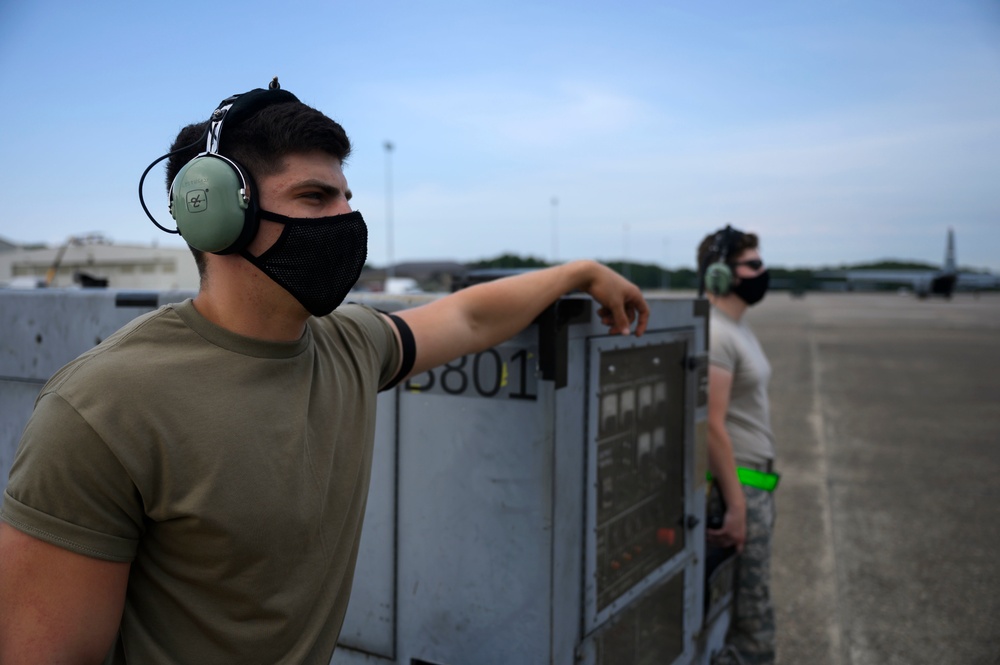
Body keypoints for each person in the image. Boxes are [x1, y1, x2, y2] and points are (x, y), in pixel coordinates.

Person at [0, 81, 649, 663]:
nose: (346, 220)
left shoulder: (348, 346)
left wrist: (577, 272)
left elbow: (469, 319)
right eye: (315, 196)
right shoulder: (104, 408)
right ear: (218, 215)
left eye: (346, 196)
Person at [698, 226, 779, 665]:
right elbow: (710, 425)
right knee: (749, 618)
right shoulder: (717, 335)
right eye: (752, 264)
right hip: (738, 486)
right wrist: (736, 505)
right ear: (719, 276)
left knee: (749, 605)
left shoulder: (736, 328)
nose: (762, 271)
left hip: (753, 484)